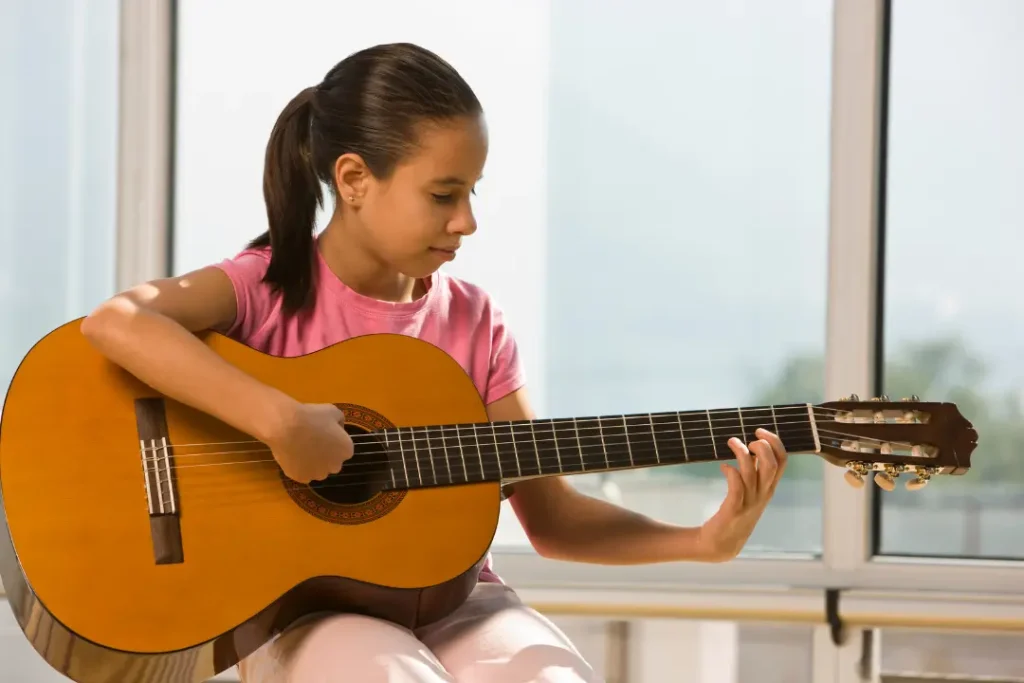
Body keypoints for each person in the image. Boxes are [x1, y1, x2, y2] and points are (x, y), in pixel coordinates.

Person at [81, 42, 788, 683]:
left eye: (472, 192)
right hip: (304, 611)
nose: (467, 221)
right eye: (443, 195)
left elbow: (551, 518)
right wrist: (279, 418)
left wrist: (703, 540)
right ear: (354, 179)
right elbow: (118, 322)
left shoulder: (474, 321)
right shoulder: (264, 287)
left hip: (458, 600)